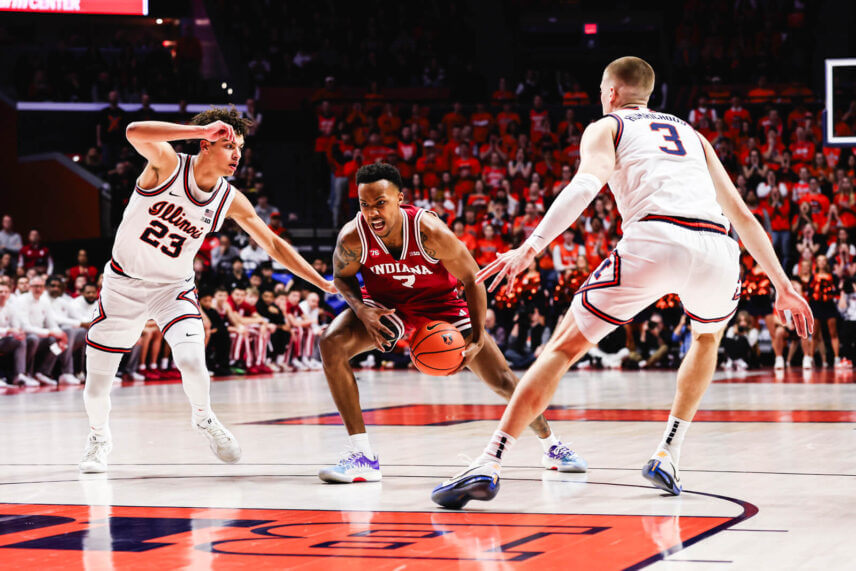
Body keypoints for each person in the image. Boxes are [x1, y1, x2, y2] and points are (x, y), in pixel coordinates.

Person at [432, 56, 813, 509]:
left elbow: (584, 186)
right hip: (717, 246)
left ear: (610, 92)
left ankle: (490, 461)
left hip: (655, 235)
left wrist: (531, 246)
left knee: (562, 349)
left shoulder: (607, 125)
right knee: (706, 340)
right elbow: (744, 216)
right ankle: (669, 452)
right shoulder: (693, 135)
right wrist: (783, 283)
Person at [79, 106, 335, 473]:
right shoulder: (167, 163)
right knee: (96, 386)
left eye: (241, 148)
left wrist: (319, 280)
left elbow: (274, 245)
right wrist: (193, 129)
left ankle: (204, 418)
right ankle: (99, 438)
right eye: (230, 145)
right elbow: (134, 130)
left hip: (173, 289)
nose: (237, 155)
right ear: (207, 143)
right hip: (123, 285)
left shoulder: (229, 200)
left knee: (191, 361)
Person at [317, 163, 583, 484]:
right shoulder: (352, 237)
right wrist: (361, 309)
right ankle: (362, 456)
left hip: (442, 305)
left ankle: (552, 447)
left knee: (502, 379)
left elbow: (473, 279)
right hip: (388, 307)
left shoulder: (430, 232)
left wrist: (479, 337)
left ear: (399, 199)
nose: (372, 213)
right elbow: (341, 278)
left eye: (380, 203)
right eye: (365, 205)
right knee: (330, 344)